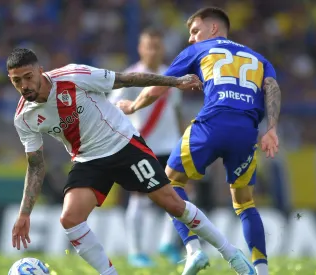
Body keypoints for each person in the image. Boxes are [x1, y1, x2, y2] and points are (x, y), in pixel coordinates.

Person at [8, 48, 255, 275]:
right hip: (88, 159)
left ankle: (232, 255)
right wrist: (24, 213)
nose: (24, 85)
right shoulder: (24, 117)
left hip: (123, 144)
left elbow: (126, 79)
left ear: (40, 70)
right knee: (70, 218)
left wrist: (174, 82)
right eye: (16, 81)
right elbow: (37, 165)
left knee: (173, 204)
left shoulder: (73, 76)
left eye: (28, 76)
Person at [116, 7, 281, 275]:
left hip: (213, 123)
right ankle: (261, 271)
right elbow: (272, 88)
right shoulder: (259, 58)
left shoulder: (198, 50)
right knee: (244, 202)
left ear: (213, 28)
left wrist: (134, 106)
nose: (192, 38)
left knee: (170, 182)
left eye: (195, 31)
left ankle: (193, 250)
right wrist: (271, 128)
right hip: (246, 130)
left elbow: (161, 85)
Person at [107, 28, 193, 267]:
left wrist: (184, 139)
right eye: (149, 46)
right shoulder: (131, 77)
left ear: (163, 48)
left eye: (157, 46)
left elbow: (175, 110)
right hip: (143, 145)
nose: (153, 51)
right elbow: (114, 110)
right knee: (140, 198)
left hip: (171, 144)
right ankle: (136, 252)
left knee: (180, 194)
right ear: (140, 48)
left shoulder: (171, 75)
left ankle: (167, 243)